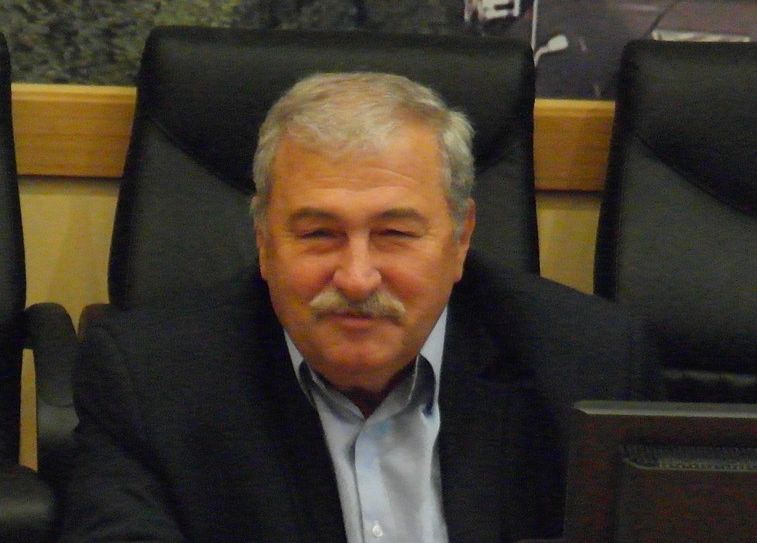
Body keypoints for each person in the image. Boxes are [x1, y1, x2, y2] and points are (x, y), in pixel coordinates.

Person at [62, 73, 657, 542]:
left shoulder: (588, 366)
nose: (355, 277)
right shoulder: (149, 379)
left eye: (394, 234)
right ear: (264, 241)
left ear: (460, 239)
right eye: (319, 234)